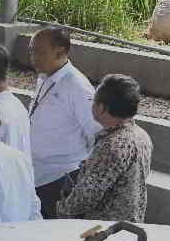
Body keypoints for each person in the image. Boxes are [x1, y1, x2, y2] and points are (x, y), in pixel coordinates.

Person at [28, 26, 101, 218]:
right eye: (31, 50)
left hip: (60, 177)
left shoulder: (77, 85)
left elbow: (96, 132)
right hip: (37, 173)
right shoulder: (45, 76)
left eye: (39, 52)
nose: (33, 57)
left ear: (60, 52)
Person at [58, 74, 152, 223]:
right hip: (129, 224)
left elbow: (86, 196)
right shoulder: (142, 135)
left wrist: (61, 209)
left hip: (104, 228)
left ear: (101, 108)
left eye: (93, 100)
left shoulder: (113, 146)